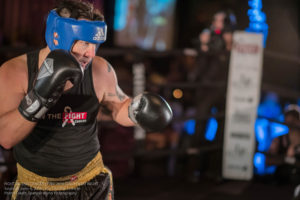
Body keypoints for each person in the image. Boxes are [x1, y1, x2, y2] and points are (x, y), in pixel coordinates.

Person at [0, 0, 172, 199]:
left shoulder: (99, 69)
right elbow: (6, 138)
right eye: (85, 42)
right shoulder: (15, 72)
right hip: (35, 187)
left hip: (91, 182)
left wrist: (138, 109)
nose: (91, 53)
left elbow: (118, 107)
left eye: (95, 44)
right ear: (59, 36)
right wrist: (39, 97)